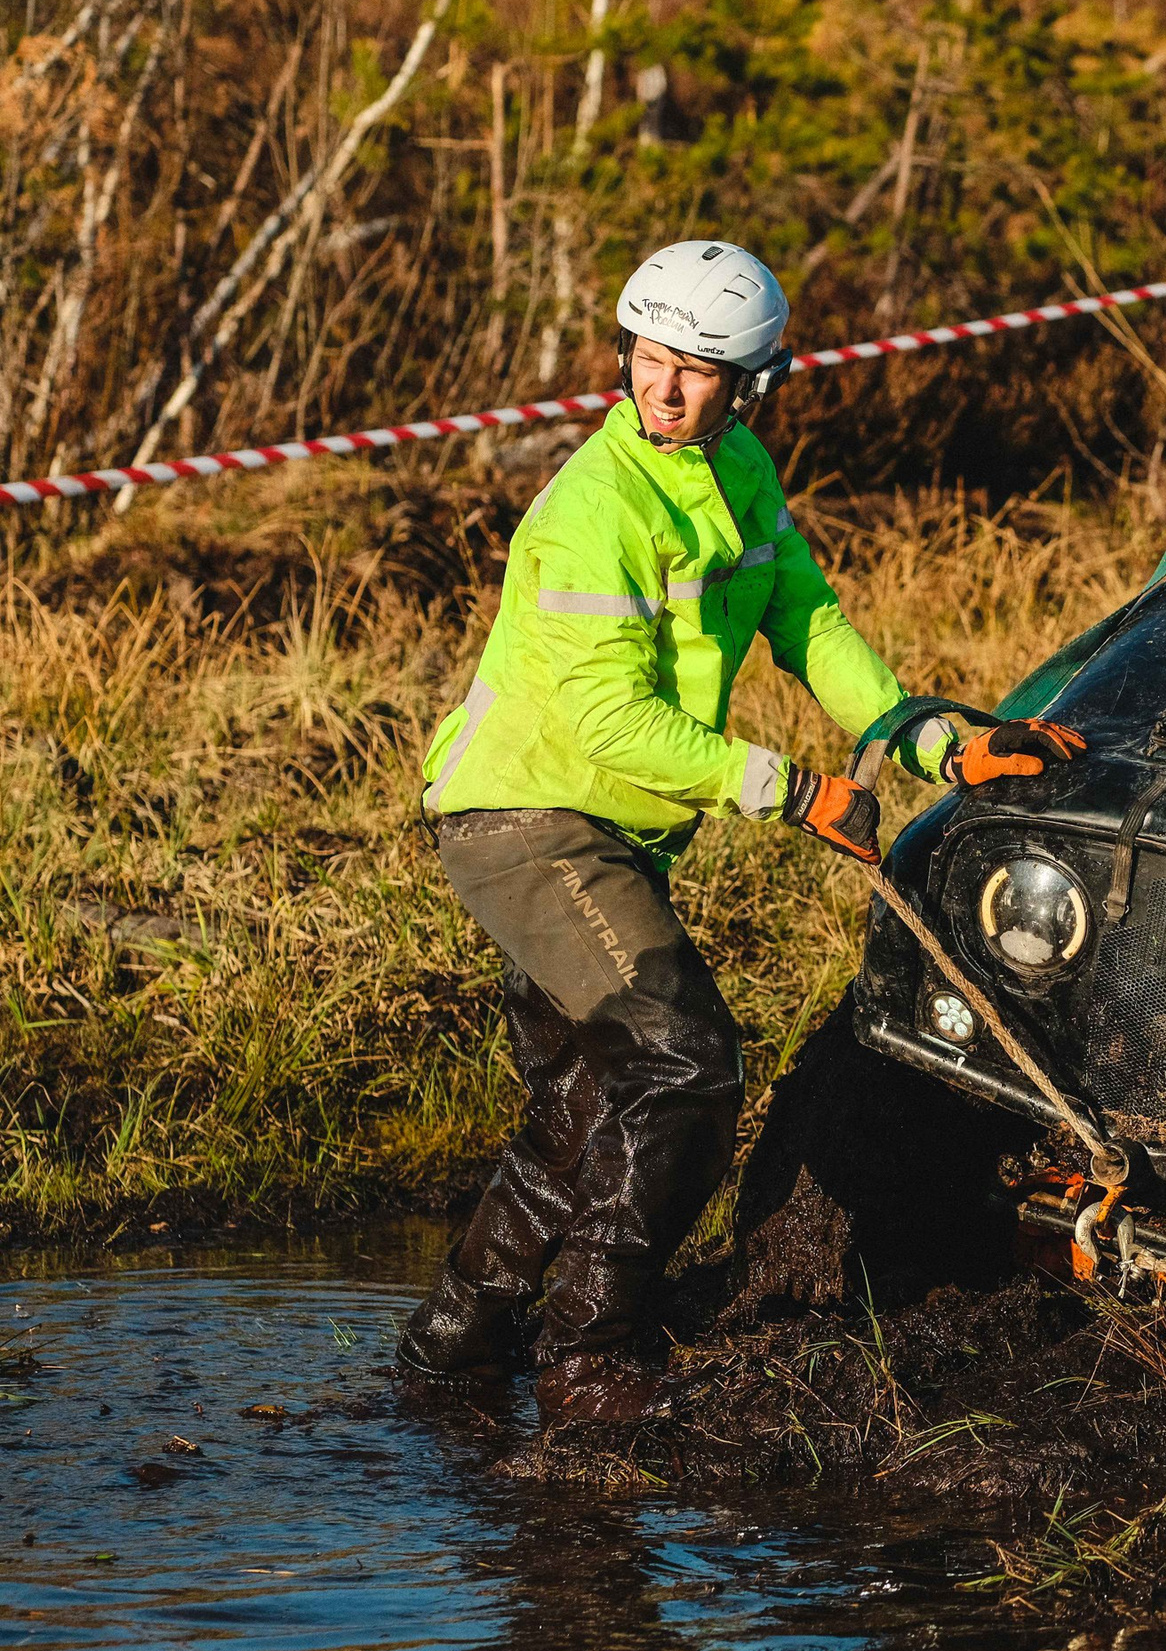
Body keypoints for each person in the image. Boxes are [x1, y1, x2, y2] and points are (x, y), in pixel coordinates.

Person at [399, 240, 1086, 1421]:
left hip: (600, 829)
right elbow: (609, 718)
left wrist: (936, 740)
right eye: (649, 361)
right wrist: (791, 789)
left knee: (580, 1103)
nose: (664, 390)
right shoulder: (592, 511)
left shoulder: (741, 474)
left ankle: (454, 1344)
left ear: (751, 386)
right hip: (530, 820)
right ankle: (585, 1355)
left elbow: (809, 625)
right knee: (684, 1068)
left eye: (697, 372)